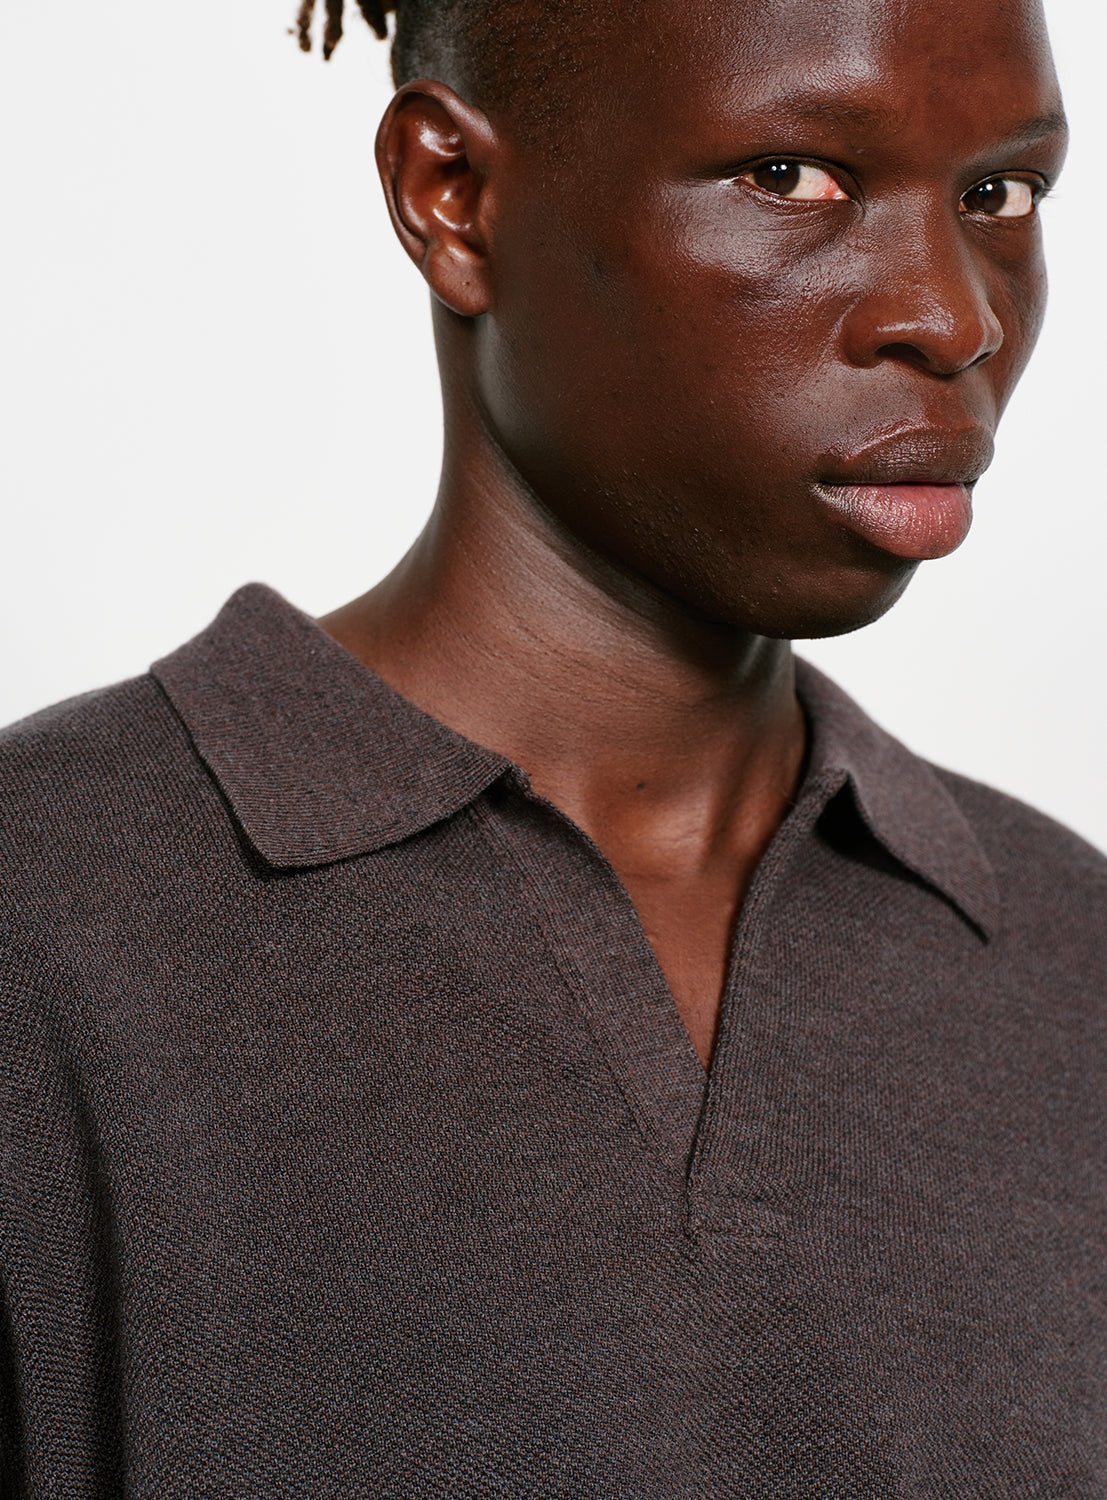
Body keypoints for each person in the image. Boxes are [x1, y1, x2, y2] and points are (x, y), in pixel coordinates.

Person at [0, 0, 1102, 1492]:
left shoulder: (1070, 960)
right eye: (792, 177)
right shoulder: (45, 918)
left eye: (1001, 194)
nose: (953, 316)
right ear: (452, 196)